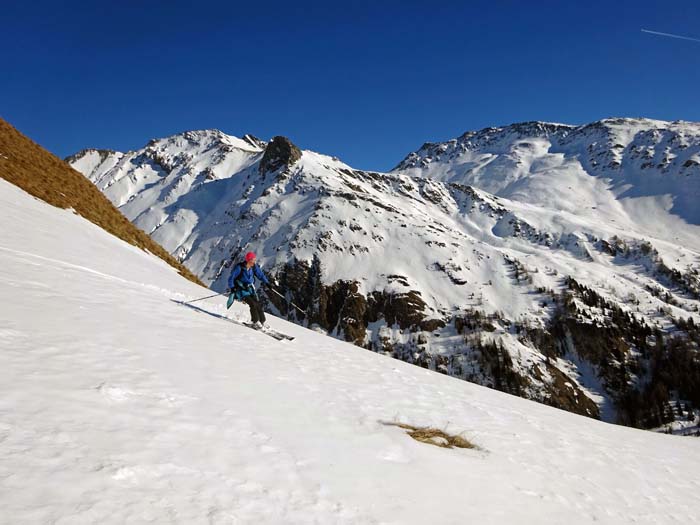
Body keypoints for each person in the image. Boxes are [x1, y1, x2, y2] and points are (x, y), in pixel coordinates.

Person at [227, 251, 273, 329]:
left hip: (250, 289)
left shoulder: (253, 267)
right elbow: (231, 278)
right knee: (252, 304)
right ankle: (255, 322)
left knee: (258, 304)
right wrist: (232, 287)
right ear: (249, 260)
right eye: (253, 260)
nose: (254, 262)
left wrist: (267, 283)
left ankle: (262, 321)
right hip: (241, 290)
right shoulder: (239, 267)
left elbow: (260, 275)